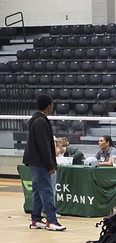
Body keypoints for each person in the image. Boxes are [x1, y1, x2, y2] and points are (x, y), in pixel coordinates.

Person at [23, 94, 63, 231]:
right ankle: (51, 220)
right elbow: (44, 145)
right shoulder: (40, 121)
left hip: (34, 160)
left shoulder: (36, 119)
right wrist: (50, 164)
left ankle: (36, 219)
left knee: (37, 190)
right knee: (46, 190)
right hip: (39, 162)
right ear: (49, 106)